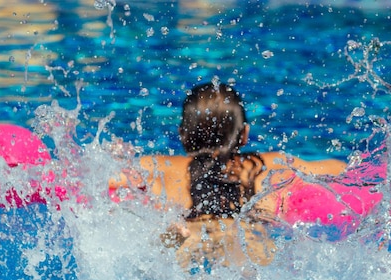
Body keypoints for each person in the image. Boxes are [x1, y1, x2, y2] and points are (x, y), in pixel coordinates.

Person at [108, 82, 346, 269]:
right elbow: (339, 171)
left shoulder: (158, 167)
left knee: (167, 254)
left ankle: (171, 238)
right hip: (247, 239)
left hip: (191, 236)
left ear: (182, 134)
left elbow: (107, 180)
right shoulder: (272, 166)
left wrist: (118, 158)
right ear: (244, 135)